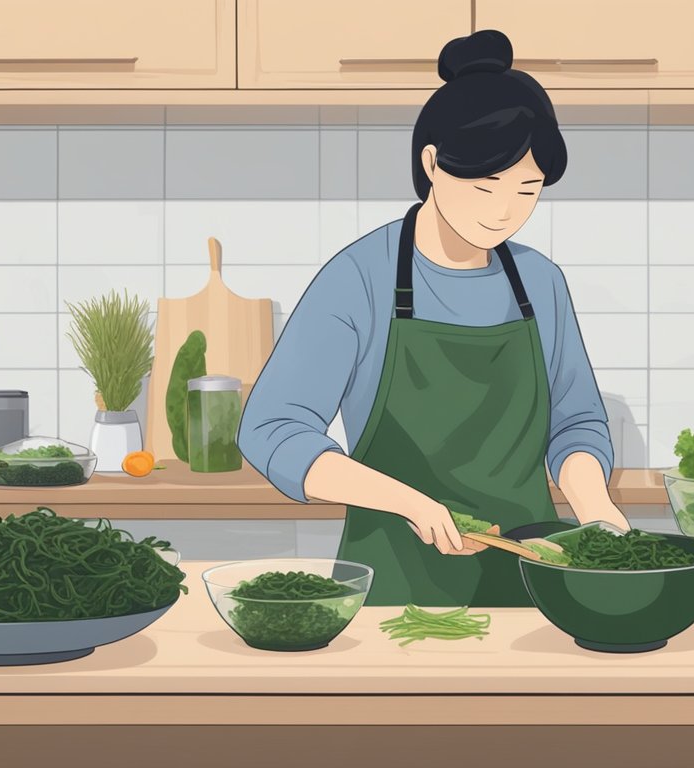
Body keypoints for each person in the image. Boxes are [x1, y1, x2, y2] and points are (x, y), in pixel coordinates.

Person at [238, 29, 630, 607]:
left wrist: (595, 509)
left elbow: (575, 424)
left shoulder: (540, 283)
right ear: (432, 163)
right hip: (393, 584)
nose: (505, 211)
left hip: (532, 582)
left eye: (528, 189)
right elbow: (272, 430)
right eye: (486, 184)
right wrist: (410, 502)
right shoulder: (360, 278)